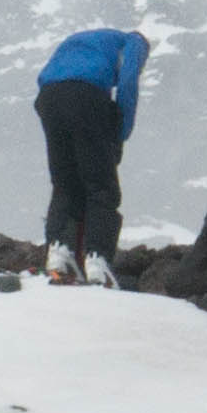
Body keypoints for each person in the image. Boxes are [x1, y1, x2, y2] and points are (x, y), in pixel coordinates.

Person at [32, 24, 148, 284]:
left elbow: (50, 73)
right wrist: (119, 134)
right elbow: (128, 83)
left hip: (49, 97)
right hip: (86, 95)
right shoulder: (134, 41)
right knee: (100, 185)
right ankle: (98, 262)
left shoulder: (81, 41)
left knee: (65, 181)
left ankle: (59, 254)